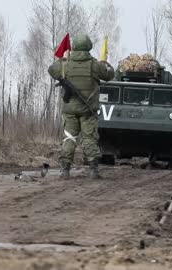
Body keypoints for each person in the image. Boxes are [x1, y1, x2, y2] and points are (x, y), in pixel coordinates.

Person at [48, 33, 115, 179]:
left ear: (75, 46)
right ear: (88, 47)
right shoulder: (94, 65)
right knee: (89, 138)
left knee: (69, 138)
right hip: (88, 110)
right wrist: (106, 64)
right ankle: (93, 171)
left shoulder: (65, 65)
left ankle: (65, 170)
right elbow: (109, 76)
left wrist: (62, 60)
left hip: (70, 110)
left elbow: (52, 70)